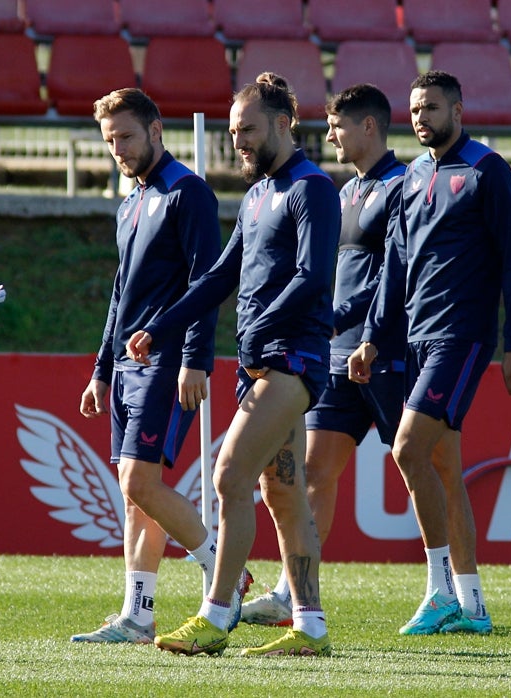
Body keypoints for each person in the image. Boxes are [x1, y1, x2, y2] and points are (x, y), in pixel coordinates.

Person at [127, 73, 339, 657]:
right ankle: (311, 627)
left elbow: (314, 276)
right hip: (263, 362)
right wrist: (160, 325)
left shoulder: (312, 188)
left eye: (246, 128)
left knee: (227, 476)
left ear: (281, 123)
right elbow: (218, 278)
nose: (237, 140)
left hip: (293, 361)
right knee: (284, 495)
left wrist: (263, 323)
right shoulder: (255, 195)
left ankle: (216, 615)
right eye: (231, 131)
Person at [348, 70, 511, 637]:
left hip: (462, 334)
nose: (422, 117)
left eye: (431, 107)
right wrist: (375, 335)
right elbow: (394, 265)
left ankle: (438, 590)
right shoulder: (413, 176)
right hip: (415, 337)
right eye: (415, 109)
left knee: (407, 449)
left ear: (458, 106)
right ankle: (473, 605)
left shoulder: (487, 170)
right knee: (445, 468)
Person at [241, 83, 408, 627]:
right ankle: (293, 594)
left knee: (426, 465)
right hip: (336, 352)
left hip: (387, 347)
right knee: (314, 470)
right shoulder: (341, 192)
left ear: (369, 126)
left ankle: (454, 589)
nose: (330, 134)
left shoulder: (403, 186)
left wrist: (345, 320)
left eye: (338, 126)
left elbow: (395, 274)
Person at [71, 88, 224, 644]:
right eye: (110, 140)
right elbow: (119, 296)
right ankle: (139, 616)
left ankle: (220, 566)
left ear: (156, 130)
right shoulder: (130, 201)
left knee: (139, 480)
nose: (118, 148)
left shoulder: (189, 194)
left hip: (167, 359)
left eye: (126, 136)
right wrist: (100, 370)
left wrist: (194, 361)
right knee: (134, 492)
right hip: (125, 366)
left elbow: (208, 285)